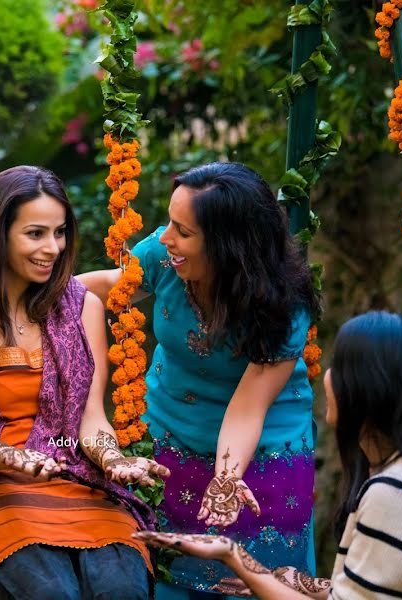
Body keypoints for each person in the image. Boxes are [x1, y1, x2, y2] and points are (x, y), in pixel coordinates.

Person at [0, 165, 170, 600]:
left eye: (59, 233)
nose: (52, 248)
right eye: (35, 233)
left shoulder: (81, 308)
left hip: (76, 470)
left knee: (121, 588)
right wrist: (21, 461)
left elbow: (91, 421)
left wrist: (113, 461)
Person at [78, 162, 321, 598]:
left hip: (261, 463)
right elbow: (115, 286)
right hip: (168, 444)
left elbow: (248, 407)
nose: (165, 238)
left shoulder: (284, 307)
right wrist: (27, 292)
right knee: (169, 580)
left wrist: (227, 479)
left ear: (229, 247)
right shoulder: (163, 255)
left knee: (250, 585)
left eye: (183, 231)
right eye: (170, 223)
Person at [135, 311, 402, 599]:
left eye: (340, 368)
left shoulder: (396, 494)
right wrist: (293, 581)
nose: (326, 378)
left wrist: (236, 558)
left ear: (371, 391)